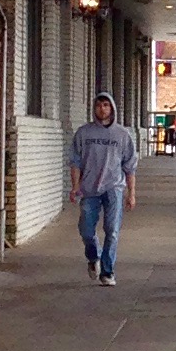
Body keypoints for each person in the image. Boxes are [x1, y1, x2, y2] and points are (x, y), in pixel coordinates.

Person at [69, 89, 138, 283]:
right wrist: (75, 187)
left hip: (114, 187)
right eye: (99, 105)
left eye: (106, 105)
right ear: (94, 108)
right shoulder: (84, 133)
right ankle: (93, 257)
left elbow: (130, 166)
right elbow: (75, 161)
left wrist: (131, 193)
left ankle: (108, 271)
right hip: (89, 188)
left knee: (112, 230)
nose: (102, 109)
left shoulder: (122, 135)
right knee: (86, 230)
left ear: (112, 108)